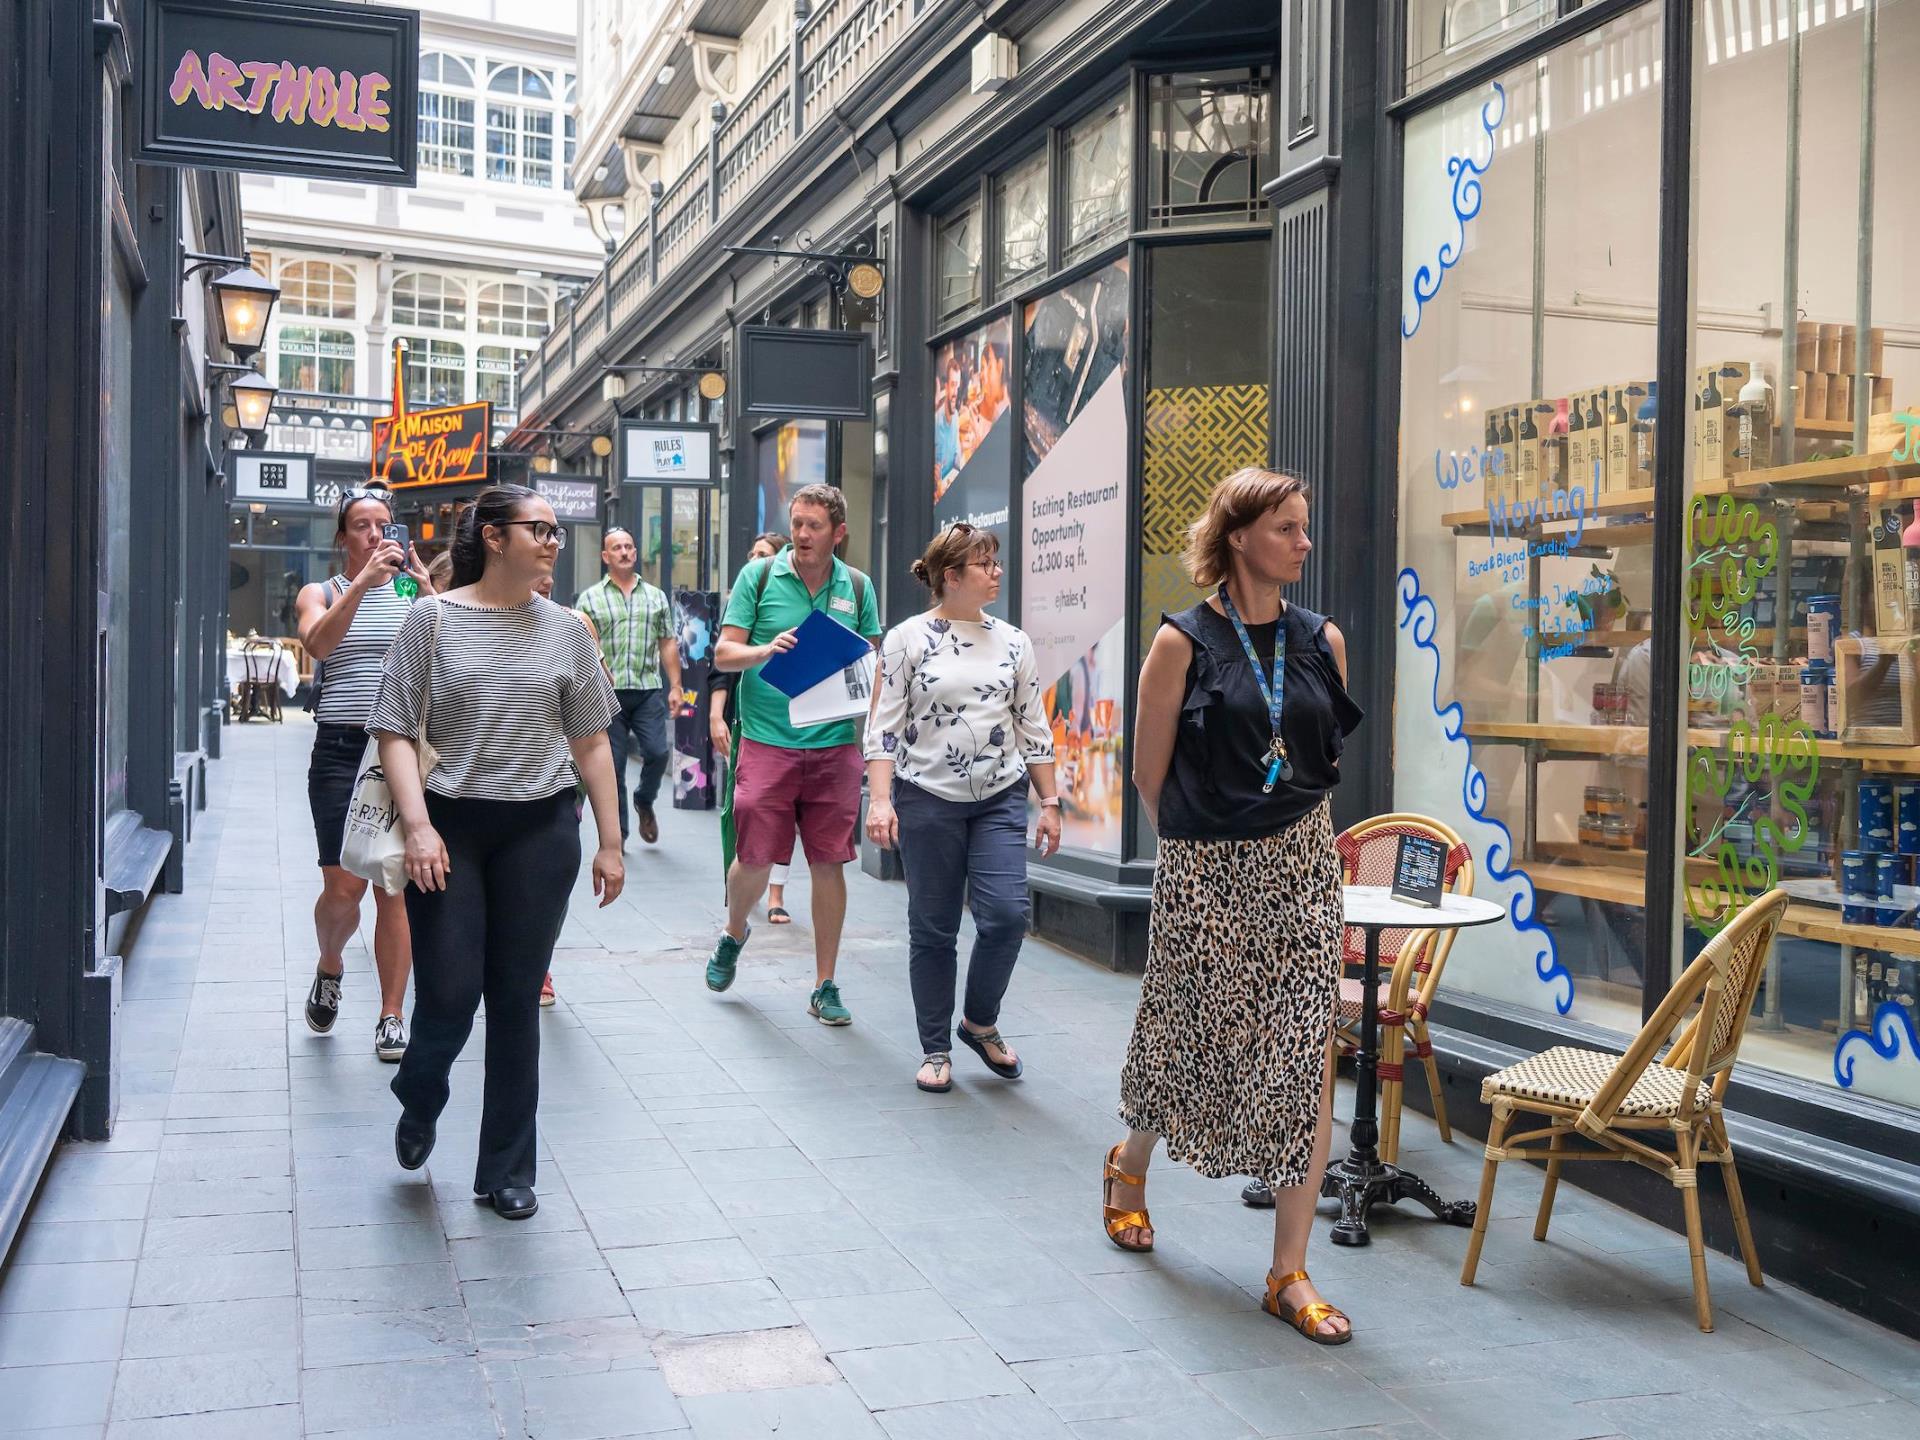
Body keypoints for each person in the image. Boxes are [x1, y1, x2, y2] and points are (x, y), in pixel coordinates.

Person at [1104, 468, 1364, 1344]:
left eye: (1304, 526)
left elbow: (1322, 754)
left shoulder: (1321, 637)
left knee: (1303, 1051)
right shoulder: (1181, 642)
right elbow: (1147, 771)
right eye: (1288, 528)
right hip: (1205, 871)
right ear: (1241, 535)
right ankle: (1129, 1165)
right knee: (1185, 1036)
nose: (1304, 542)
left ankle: (1288, 1270)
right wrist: (1204, 849)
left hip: (1300, 868)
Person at [369, 485, 623, 1221]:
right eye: (537, 528)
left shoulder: (568, 629)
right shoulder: (432, 618)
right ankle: (420, 1092)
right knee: (448, 992)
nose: (552, 540)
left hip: (541, 828)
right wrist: (418, 827)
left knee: (516, 998)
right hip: (449, 827)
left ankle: (507, 1169)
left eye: (555, 529)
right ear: (494, 535)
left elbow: (592, 741)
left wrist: (610, 841)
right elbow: (392, 729)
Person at [864, 524, 1061, 1092]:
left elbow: (1032, 725)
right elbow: (884, 729)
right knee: (934, 926)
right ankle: (934, 1047)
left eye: (996, 562)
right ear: (951, 577)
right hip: (925, 798)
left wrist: (1048, 802)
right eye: (985, 564)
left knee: (1005, 917)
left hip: (999, 796)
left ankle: (979, 1020)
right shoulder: (906, 640)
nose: (997, 571)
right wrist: (880, 801)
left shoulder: (1015, 641)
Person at [708, 485, 881, 1022]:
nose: (802, 535)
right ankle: (735, 929)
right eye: (797, 524)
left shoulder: (857, 586)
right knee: (754, 857)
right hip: (767, 742)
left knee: (829, 862)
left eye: (814, 526)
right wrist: (765, 649)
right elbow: (723, 652)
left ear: (838, 533)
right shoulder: (758, 577)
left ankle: (825, 983)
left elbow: (872, 658)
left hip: (833, 746)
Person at [294, 487, 435, 1061]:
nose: (376, 535)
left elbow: (448, 655)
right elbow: (318, 643)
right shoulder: (321, 592)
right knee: (342, 889)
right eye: (362, 525)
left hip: (397, 751)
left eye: (384, 525)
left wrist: (429, 594)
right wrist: (361, 585)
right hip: (339, 750)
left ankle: (392, 1014)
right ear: (343, 537)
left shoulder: (413, 596)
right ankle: (331, 965)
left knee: (391, 887)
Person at [576, 528, 681, 847]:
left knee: (658, 753)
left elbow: (667, 643)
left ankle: (644, 800)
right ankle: (618, 836)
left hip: (647, 689)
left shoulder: (655, 596)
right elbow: (584, 646)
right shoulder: (590, 598)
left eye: (628, 546)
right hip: (608, 695)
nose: (624, 552)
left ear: (635, 553)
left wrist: (675, 685)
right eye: (616, 548)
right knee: (615, 765)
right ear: (605, 556)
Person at [712, 533, 796, 921]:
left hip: (800, 726)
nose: (754, 560)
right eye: (752, 553)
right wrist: (716, 715)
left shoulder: (790, 600)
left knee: (788, 816)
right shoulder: (747, 593)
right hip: (749, 721)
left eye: (763, 555)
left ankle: (776, 894)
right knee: (747, 812)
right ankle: (740, 905)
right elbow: (721, 668)